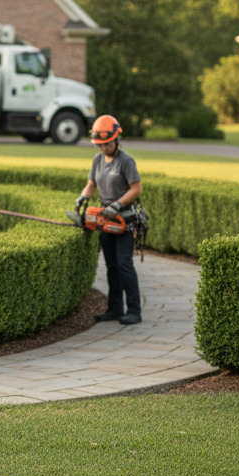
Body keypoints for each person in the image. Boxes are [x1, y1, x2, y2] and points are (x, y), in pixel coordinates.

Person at [77, 114, 143, 325]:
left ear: (116, 139)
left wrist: (117, 204)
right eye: (100, 144)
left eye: (106, 144)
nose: (103, 148)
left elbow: (136, 189)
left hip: (124, 219)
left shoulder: (126, 161)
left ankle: (134, 310)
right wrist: (83, 198)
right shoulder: (97, 160)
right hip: (105, 219)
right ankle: (114, 308)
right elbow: (91, 184)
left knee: (124, 264)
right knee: (111, 265)